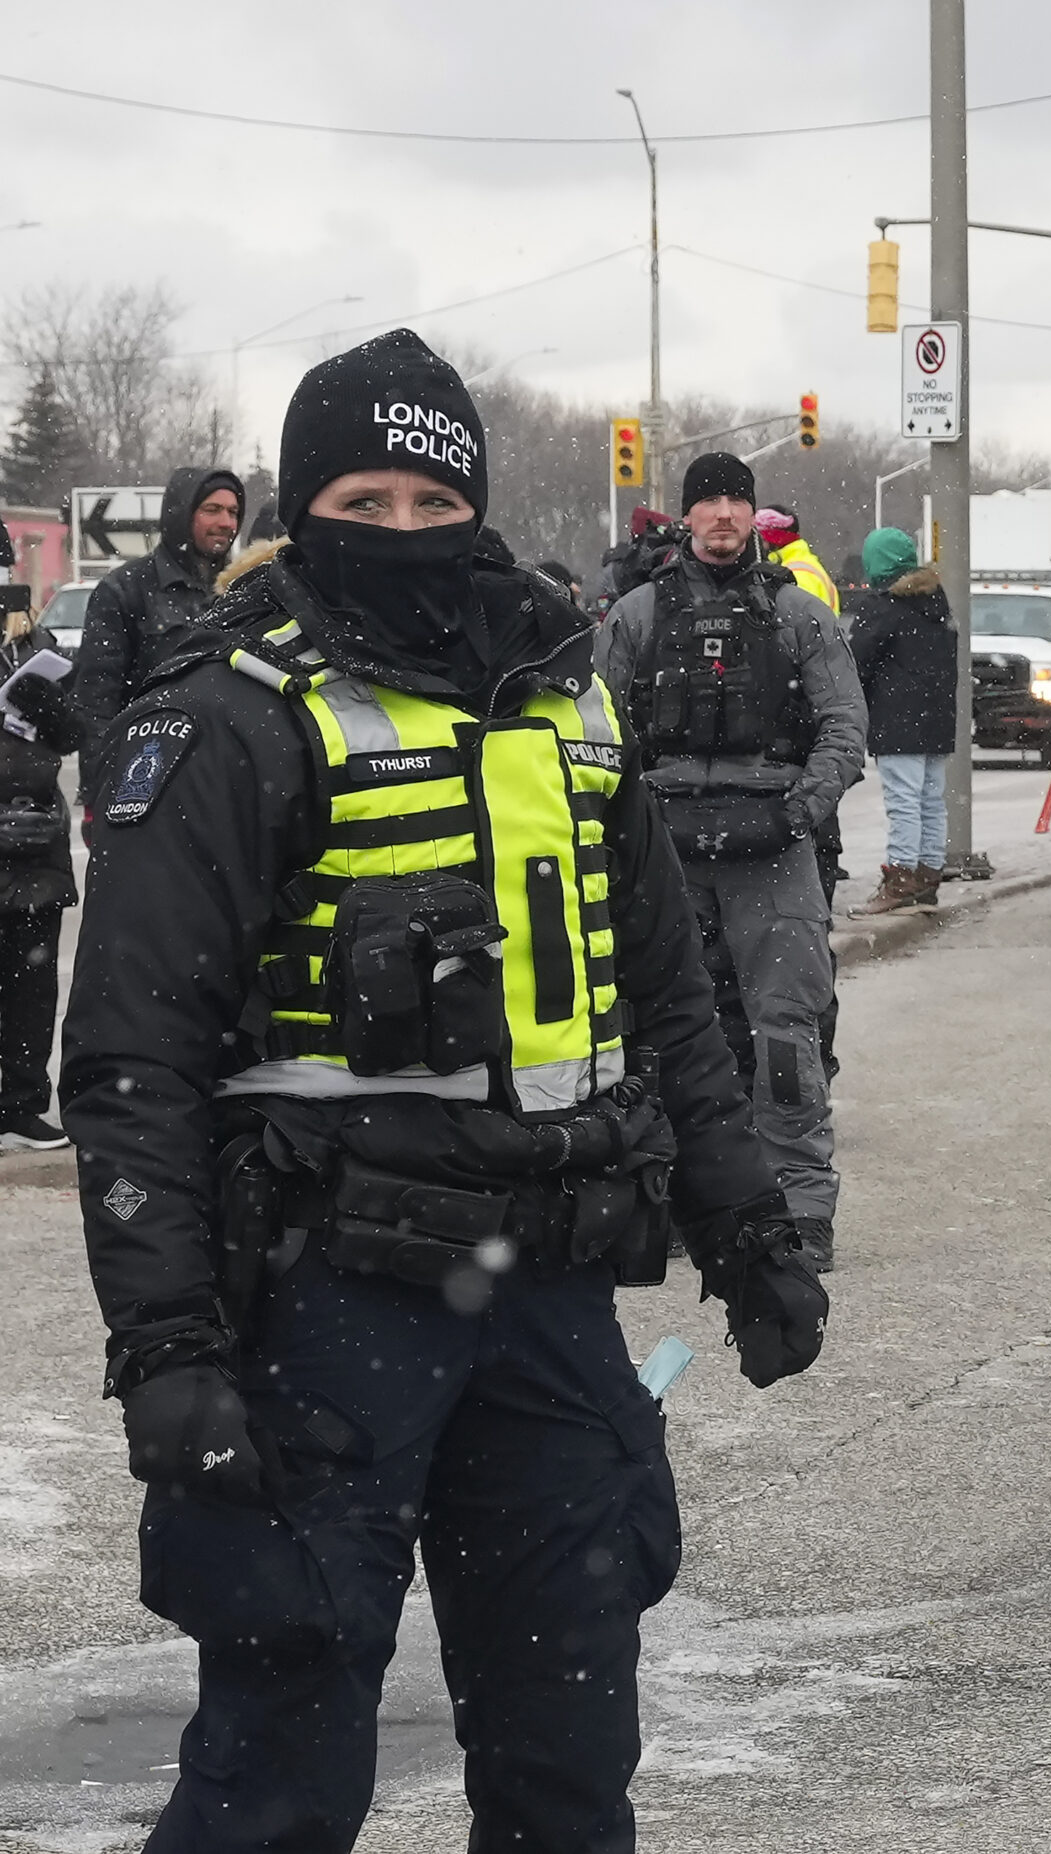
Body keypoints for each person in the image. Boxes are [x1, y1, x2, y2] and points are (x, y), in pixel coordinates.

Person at [59, 329, 828, 1854]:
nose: (403, 531)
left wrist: (748, 1227)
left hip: (547, 1294)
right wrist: (165, 1341)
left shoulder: (567, 701)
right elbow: (131, 1058)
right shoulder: (223, 711)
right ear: (299, 504)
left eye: (433, 498)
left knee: (567, 1759)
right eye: (364, 496)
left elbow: (667, 998)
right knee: (281, 1768)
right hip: (326, 1301)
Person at [601, 451, 867, 1272]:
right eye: (707, 500)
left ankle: (800, 1205)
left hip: (772, 851)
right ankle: (686, 1196)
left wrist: (799, 811)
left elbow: (844, 727)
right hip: (666, 855)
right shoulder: (637, 616)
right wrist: (626, 826)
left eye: (735, 501)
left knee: (786, 1029)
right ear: (685, 516)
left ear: (755, 516)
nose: (722, 514)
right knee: (672, 1035)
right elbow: (590, 733)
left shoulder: (800, 617)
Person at [72, 464, 243, 772]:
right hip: (146, 771)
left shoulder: (242, 589)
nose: (226, 522)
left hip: (225, 776)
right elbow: (96, 700)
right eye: (212, 509)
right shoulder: (124, 589)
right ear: (182, 514)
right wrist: (97, 789)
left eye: (233, 512)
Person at [0, 519, 78, 1151]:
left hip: (35, 842)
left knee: (32, 983)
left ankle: (23, 1104)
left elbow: (75, 733)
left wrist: (50, 707)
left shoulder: (34, 644)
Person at [841, 525, 957, 913]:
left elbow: (856, 662)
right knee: (929, 800)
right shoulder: (936, 605)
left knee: (903, 801)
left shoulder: (883, 608)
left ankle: (900, 875)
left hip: (898, 719)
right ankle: (928, 873)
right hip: (936, 719)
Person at [755, 505, 840, 615]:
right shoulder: (806, 565)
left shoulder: (795, 575)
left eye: (760, 539)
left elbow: (794, 625)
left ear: (773, 539)